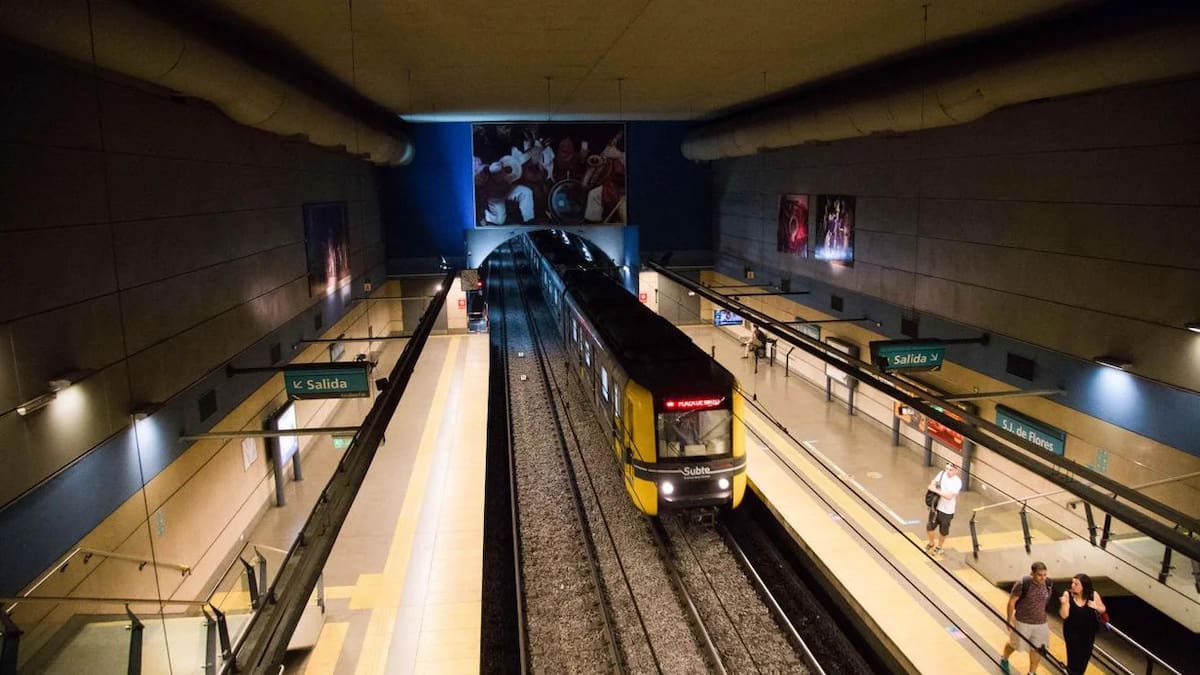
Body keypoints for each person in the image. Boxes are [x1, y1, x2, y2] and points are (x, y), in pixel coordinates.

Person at [1001, 561, 1053, 675]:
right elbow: (1011, 602)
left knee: (1038, 648)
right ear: (1032, 573)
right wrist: (1009, 620)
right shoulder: (1023, 584)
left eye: (1045, 575)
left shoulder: (1048, 583)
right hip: (1023, 622)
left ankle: (1032, 672)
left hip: (1041, 623)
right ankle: (1004, 658)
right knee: (1014, 644)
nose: (1043, 578)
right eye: (1040, 575)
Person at [1059, 573, 1106, 674]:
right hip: (1072, 632)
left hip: (1089, 633)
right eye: (1072, 583)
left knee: (1084, 659)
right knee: (1074, 659)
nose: (1072, 585)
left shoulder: (1093, 595)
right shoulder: (1068, 594)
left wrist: (1095, 606)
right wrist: (1063, 603)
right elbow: (1064, 615)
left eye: (1076, 584)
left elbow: (1103, 609)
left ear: (1084, 586)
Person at [924, 462, 962, 556]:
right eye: (947, 469)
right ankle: (931, 543)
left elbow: (949, 496)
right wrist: (932, 485)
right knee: (930, 527)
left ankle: (939, 547)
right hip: (936, 507)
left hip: (947, 511)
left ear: (957, 471)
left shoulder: (957, 482)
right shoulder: (941, 474)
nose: (948, 471)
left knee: (943, 531)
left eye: (950, 470)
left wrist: (936, 490)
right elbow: (933, 483)